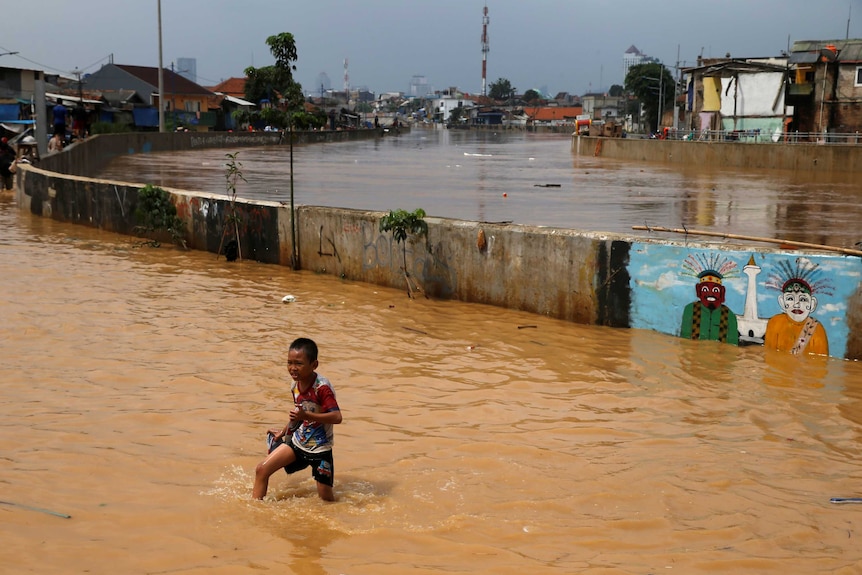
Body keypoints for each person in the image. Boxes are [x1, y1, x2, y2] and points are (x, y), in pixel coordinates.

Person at [253, 337, 342, 501]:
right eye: (289, 363)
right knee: (261, 470)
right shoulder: (295, 386)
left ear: (314, 365)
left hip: (320, 450)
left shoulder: (322, 388)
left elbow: (337, 417)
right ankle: (254, 513)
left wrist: (306, 416)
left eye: (298, 363)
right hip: (297, 442)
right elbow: (299, 415)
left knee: (326, 499)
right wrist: (284, 431)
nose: (293, 368)